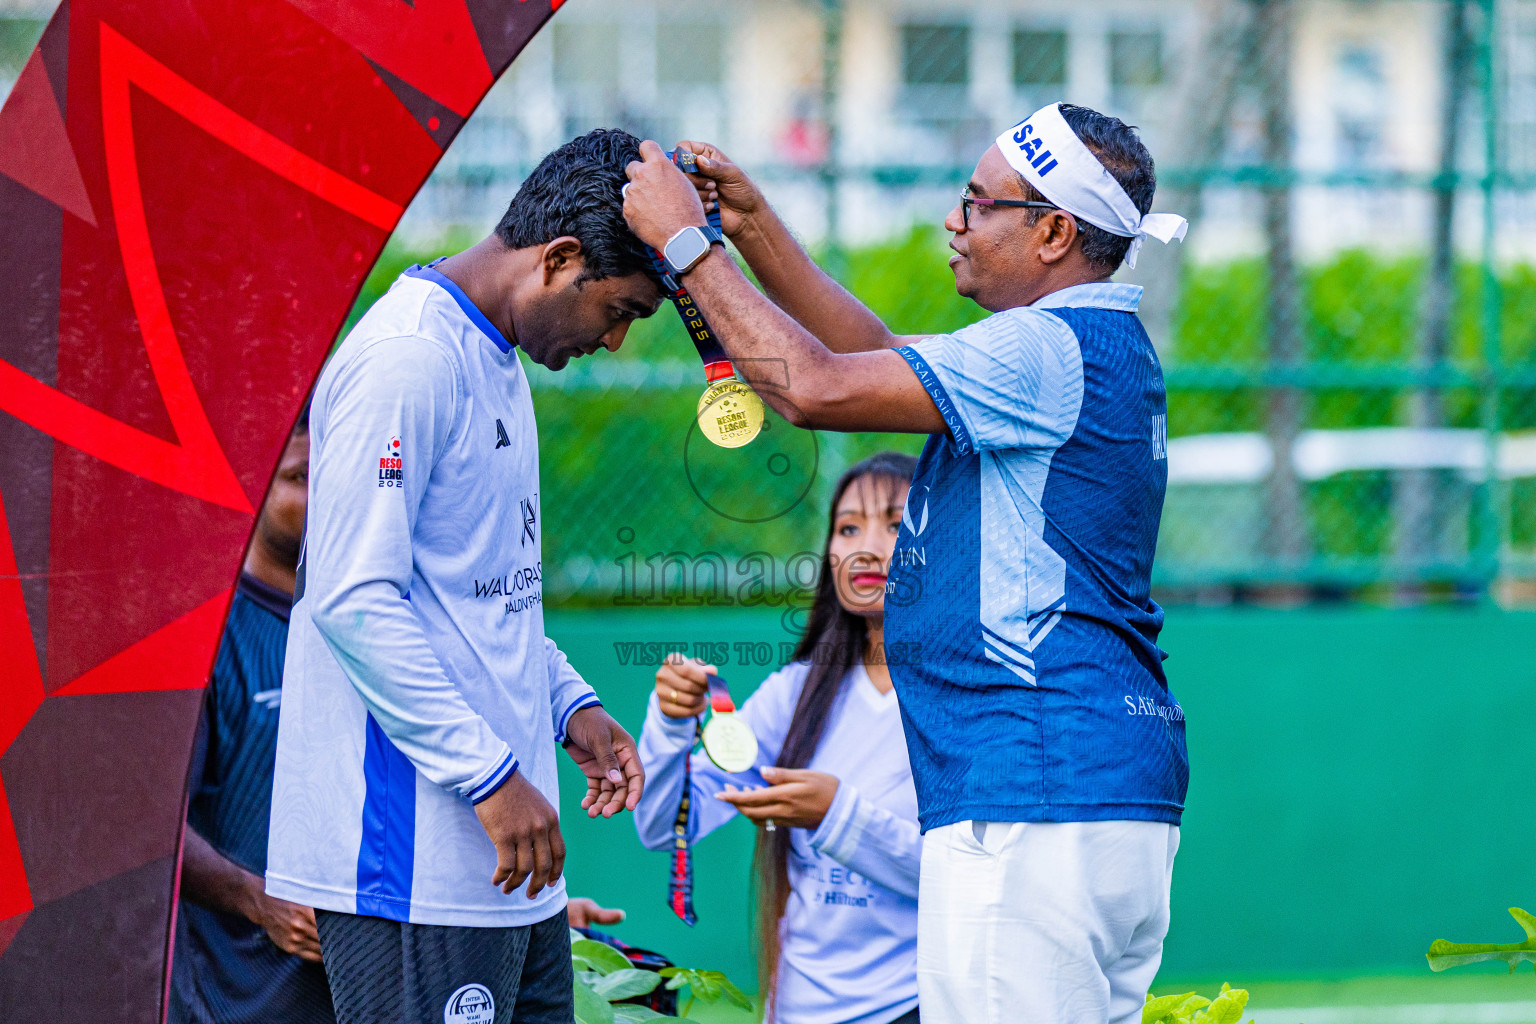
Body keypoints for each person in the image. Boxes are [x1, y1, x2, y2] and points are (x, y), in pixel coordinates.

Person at [619, 104, 1190, 1024]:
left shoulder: (1047, 346)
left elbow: (810, 384)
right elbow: (872, 355)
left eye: (976, 203)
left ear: (1051, 232)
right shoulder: (1079, 342)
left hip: (1032, 792)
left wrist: (687, 245)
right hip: (1091, 791)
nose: (954, 225)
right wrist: (754, 227)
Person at [267, 129, 658, 1024]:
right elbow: (353, 599)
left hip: (502, 869)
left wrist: (569, 706)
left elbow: (484, 593)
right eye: (620, 308)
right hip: (411, 867)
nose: (619, 341)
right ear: (559, 259)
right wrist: (491, 777)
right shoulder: (408, 358)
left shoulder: (495, 355)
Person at [171, 415, 627, 1024]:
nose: (323, 496)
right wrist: (257, 899)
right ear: (254, 489)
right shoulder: (211, 640)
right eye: (300, 477)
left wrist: (508, 926)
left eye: (335, 478)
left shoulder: (404, 627)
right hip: (249, 988)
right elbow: (152, 830)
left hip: (385, 965)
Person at [634, 452, 921, 1024]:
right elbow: (664, 826)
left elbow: (979, 880)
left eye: (894, 523)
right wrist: (670, 723)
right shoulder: (794, 694)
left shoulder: (977, 701)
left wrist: (836, 814)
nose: (867, 546)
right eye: (847, 528)